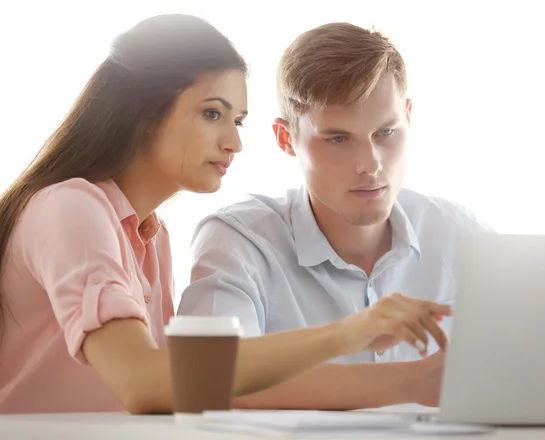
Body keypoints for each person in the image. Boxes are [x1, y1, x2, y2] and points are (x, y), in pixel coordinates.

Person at [0, 15, 452, 415]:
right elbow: (145, 382)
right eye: (212, 113)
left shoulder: (150, 237)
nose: (234, 143)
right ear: (144, 114)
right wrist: (355, 339)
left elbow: (199, 382)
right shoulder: (70, 206)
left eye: (236, 121)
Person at [178, 22, 490, 410]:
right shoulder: (241, 242)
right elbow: (205, 383)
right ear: (285, 138)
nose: (370, 164)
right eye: (338, 138)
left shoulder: (463, 236)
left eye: (386, 132)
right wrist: (409, 382)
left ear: (408, 117)